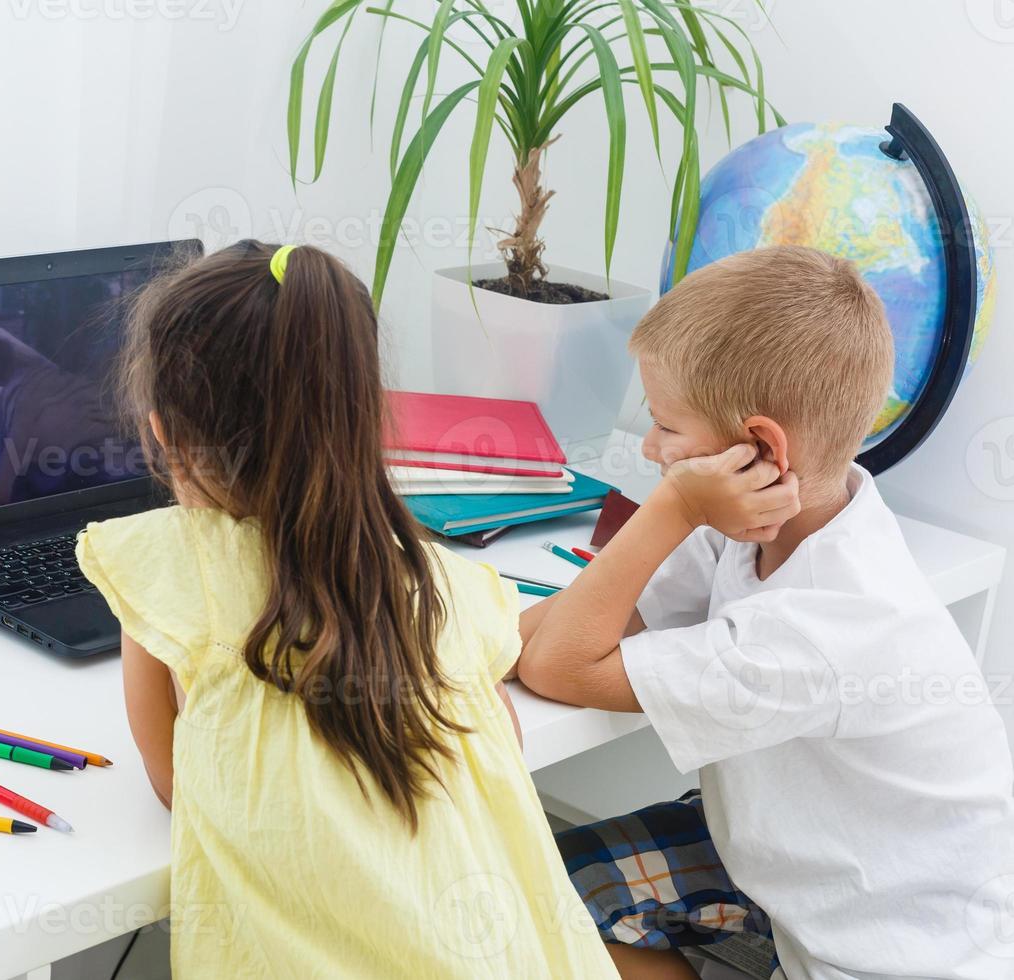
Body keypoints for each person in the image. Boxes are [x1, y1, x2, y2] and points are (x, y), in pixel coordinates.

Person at [76, 241, 618, 978]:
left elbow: (175, 783)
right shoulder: (441, 583)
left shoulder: (168, 565)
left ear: (165, 434)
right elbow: (500, 744)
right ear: (363, 418)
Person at [518, 246, 1014, 979]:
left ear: (757, 449)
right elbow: (555, 628)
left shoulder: (824, 627)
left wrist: (677, 505)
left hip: (892, 955)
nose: (650, 447)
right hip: (788, 863)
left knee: (528, 936)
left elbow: (557, 663)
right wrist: (684, 509)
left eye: (664, 426)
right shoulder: (767, 522)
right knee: (520, 894)